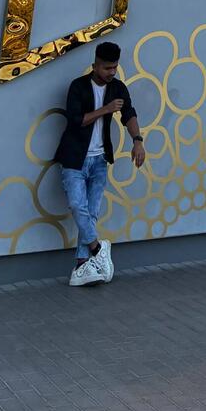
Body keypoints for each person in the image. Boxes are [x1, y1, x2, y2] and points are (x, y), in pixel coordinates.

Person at [53, 41, 145, 287]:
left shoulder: (118, 88)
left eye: (115, 67)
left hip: (100, 160)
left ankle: (82, 265)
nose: (112, 72)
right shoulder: (78, 87)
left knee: (91, 214)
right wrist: (106, 109)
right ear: (95, 66)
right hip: (74, 158)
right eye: (107, 68)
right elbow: (76, 121)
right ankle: (97, 248)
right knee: (77, 205)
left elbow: (129, 114)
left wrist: (137, 141)